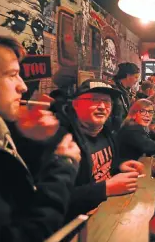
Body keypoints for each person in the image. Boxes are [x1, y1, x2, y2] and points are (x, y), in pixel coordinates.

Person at [0, 29, 81, 241]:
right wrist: (64, 166)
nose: (22, 86)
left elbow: (20, 198)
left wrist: (32, 141)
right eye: (11, 75)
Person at [56, 78, 145, 220]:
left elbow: (106, 167)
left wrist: (121, 165)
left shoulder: (105, 132)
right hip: (80, 225)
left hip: (110, 211)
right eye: (94, 100)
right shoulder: (62, 141)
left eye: (107, 101)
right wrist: (105, 188)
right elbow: (55, 199)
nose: (102, 106)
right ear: (76, 104)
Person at [110, 62, 140, 131]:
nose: (136, 81)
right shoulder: (114, 91)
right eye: (135, 77)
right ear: (128, 76)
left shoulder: (125, 91)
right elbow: (118, 119)